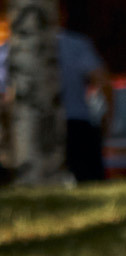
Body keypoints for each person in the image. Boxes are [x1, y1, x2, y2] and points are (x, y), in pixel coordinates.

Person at [0, 24, 112, 182]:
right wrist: (107, 118)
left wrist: (7, 130)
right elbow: (103, 82)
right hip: (75, 124)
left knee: (29, 183)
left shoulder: (9, 49)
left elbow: (4, 97)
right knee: (88, 181)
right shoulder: (76, 44)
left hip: (29, 128)